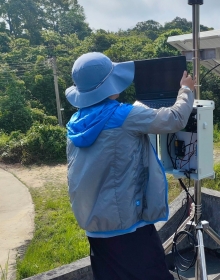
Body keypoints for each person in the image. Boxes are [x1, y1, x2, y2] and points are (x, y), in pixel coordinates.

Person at [65, 52, 195, 280]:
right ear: (109, 85)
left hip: (95, 226)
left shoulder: (76, 122)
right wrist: (185, 90)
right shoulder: (124, 115)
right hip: (127, 227)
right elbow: (175, 118)